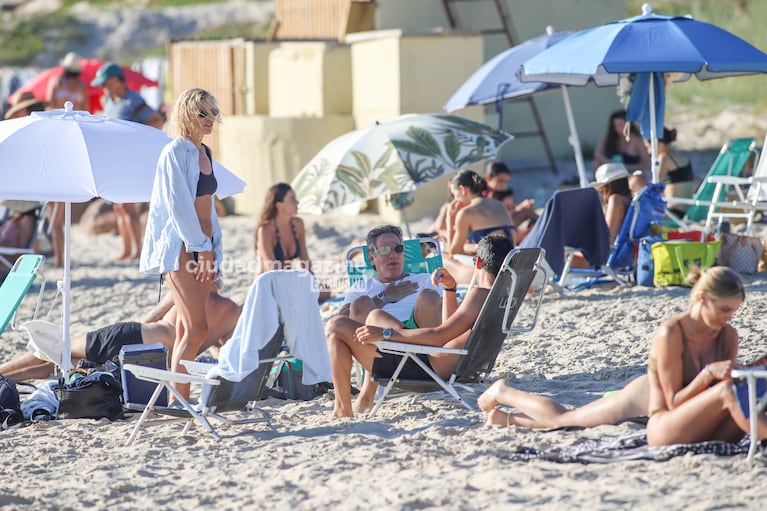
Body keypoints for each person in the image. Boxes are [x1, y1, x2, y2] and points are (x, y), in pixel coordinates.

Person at [328, 235, 513, 418]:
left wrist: (385, 334)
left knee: (335, 326)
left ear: (478, 263)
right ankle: (362, 398)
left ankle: (343, 409)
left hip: (422, 367)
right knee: (375, 315)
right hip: (454, 363)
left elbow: (439, 336)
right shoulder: (502, 298)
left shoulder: (478, 295)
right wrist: (450, 290)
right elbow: (451, 333)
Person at [140, 87, 222, 402]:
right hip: (183, 248)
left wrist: (214, 247)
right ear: (186, 115)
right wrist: (201, 247)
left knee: (191, 331)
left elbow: (208, 207)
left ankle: (179, 400)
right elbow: (178, 207)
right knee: (196, 329)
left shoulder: (206, 153)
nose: (209, 119)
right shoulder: (175, 152)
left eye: (213, 112)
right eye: (201, 112)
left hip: (205, 247)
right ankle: (179, 401)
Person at [0, 284, 241, 382]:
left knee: (58, 350)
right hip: (147, 360)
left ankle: (2, 373)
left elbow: (150, 318)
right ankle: (6, 379)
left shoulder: (188, 287)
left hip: (134, 336)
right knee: (66, 363)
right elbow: (221, 356)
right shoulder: (231, 313)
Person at [325, 224, 445, 417]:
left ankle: (366, 393)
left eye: (398, 249)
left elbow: (448, 319)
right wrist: (383, 297)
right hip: (378, 353)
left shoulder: (425, 280)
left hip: (422, 355)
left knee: (428, 296)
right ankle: (345, 408)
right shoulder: (362, 287)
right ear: (372, 258)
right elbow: (341, 321)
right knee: (359, 306)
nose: (393, 255)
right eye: (385, 250)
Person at [645, 265, 749, 446]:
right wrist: (707, 374)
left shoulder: (729, 335)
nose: (729, 317)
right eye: (724, 309)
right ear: (703, 297)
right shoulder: (671, 333)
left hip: (709, 426)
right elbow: (673, 403)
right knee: (727, 391)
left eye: (733, 311)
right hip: (667, 428)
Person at [92, 61, 164, 261]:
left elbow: (156, 120)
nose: (103, 86)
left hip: (130, 160)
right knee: (119, 206)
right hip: (114, 159)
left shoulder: (134, 100)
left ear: (117, 80)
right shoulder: (108, 99)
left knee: (128, 206)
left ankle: (137, 250)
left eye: (105, 82)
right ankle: (126, 249)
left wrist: (138, 139)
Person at [478, 375, 649, 429]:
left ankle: (504, 419)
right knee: (563, 419)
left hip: (648, 390)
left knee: (572, 422)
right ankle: (503, 393)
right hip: (647, 394)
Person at [254, 182, 331, 301]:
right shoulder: (265, 231)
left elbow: (304, 260)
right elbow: (272, 270)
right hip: (270, 286)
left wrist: (312, 284)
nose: (297, 202)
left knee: (325, 291)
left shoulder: (297, 224)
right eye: (292, 199)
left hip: (288, 284)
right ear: (280, 205)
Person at [443, 170, 514, 284]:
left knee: (442, 258)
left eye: (454, 195)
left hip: (490, 275)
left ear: (462, 190)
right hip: (512, 267)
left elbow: (453, 252)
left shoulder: (466, 213)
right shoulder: (499, 204)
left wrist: (450, 220)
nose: (454, 200)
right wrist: (470, 247)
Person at [650, 127, 695, 218]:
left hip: (672, 212)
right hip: (687, 209)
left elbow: (655, 186)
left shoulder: (664, 158)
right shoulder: (681, 155)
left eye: (649, 147)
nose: (649, 151)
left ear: (659, 144)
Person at [484, 161, 538, 237]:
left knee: (527, 213)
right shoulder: (484, 195)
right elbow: (497, 216)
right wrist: (521, 207)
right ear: (488, 178)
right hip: (493, 230)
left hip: (501, 226)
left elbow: (509, 209)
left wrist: (521, 206)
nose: (503, 185)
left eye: (506, 182)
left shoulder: (497, 193)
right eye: (500, 181)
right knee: (527, 214)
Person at [591, 163, 632, 244]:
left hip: (616, 252)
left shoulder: (615, 200)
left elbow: (607, 238)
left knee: (567, 253)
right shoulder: (629, 199)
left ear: (605, 187)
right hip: (629, 249)